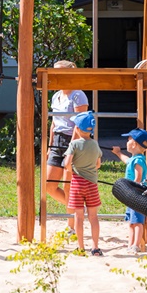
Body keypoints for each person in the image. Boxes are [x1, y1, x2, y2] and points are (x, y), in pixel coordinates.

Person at [44, 61, 88, 210]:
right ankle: (78, 211)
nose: (56, 75)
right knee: (49, 186)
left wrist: (73, 147)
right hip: (57, 140)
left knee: (68, 187)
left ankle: (73, 225)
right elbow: (53, 123)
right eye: (54, 72)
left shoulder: (78, 95)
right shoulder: (56, 96)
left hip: (72, 140)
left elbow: (80, 124)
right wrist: (50, 146)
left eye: (60, 72)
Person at [62, 110, 103, 256]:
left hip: (77, 183)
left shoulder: (74, 144)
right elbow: (98, 164)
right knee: (93, 217)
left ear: (77, 129)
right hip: (92, 183)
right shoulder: (95, 145)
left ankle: (80, 247)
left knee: (78, 216)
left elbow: (67, 163)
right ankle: (95, 247)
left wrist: (71, 169)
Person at [111, 128, 147, 254]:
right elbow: (127, 161)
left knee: (137, 221)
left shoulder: (139, 160)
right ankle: (130, 244)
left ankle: (136, 245)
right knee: (131, 221)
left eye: (128, 140)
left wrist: (133, 188)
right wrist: (117, 153)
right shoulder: (134, 158)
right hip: (131, 195)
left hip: (136, 195)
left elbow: (138, 177)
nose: (126, 142)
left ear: (134, 144)